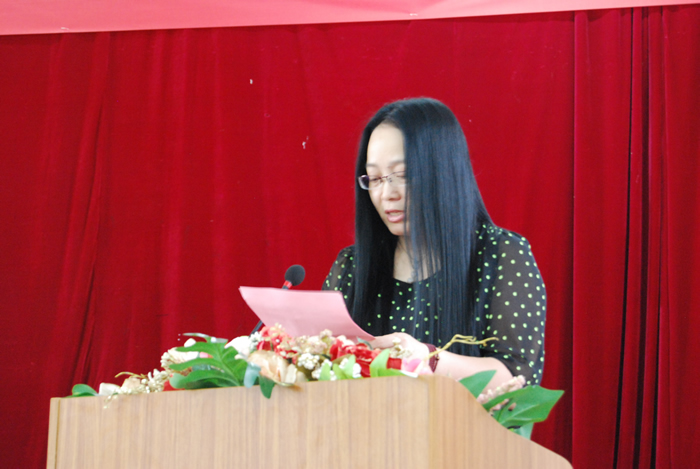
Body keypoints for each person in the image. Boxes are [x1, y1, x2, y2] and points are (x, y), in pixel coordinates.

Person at [322, 98, 545, 390]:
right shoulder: (351, 267)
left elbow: (518, 377)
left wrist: (427, 359)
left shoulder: (501, 255)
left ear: (444, 170)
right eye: (374, 178)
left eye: (402, 175)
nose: (386, 194)